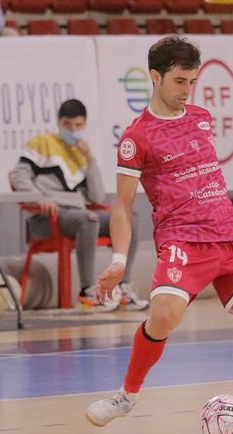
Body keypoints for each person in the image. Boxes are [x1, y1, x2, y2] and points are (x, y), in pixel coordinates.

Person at [85, 36, 233, 434]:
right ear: (155, 77)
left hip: (229, 234)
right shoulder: (136, 137)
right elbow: (123, 206)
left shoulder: (199, 117)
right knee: (164, 315)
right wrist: (119, 260)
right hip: (182, 238)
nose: (186, 90)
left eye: (191, 82)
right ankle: (127, 395)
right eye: (179, 81)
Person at [9, 99, 149, 310]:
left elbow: (96, 197)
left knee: (129, 220)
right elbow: (18, 175)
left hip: (78, 213)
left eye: (78, 126)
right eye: (67, 125)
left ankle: (123, 287)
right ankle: (87, 290)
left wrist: (90, 159)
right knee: (89, 219)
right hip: (48, 217)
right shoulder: (42, 143)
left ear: (84, 125)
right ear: (59, 122)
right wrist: (39, 198)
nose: (73, 130)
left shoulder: (82, 154)